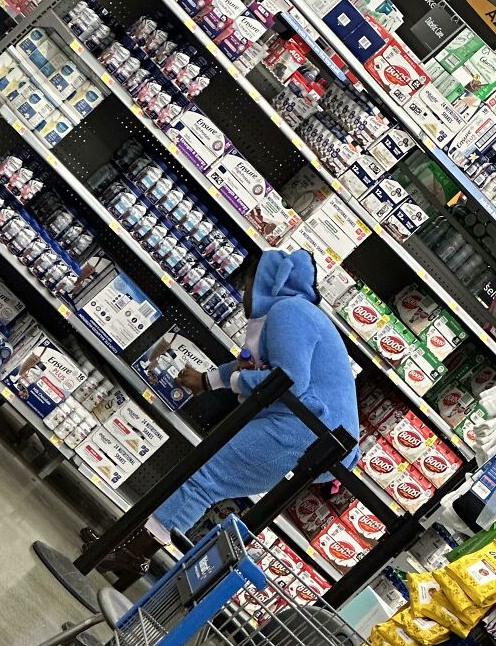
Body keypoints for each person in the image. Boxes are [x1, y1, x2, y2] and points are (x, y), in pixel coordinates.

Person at [95, 248, 360, 584]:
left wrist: (234, 380)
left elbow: (289, 379)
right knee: (205, 477)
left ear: (265, 283)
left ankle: (132, 554)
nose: (243, 295)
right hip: (313, 434)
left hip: (306, 430)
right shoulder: (292, 312)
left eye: (247, 285)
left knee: (203, 476)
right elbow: (261, 366)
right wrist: (208, 380)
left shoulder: (289, 312)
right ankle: (126, 551)